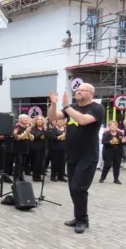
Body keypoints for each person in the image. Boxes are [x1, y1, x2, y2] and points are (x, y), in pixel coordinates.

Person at [47, 83, 105, 234]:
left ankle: (83, 220)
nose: (78, 92)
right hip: (72, 154)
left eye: (82, 90)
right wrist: (53, 105)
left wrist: (66, 107)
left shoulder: (96, 108)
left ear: (91, 93)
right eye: (77, 90)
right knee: (73, 189)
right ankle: (78, 216)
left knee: (79, 187)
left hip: (88, 155)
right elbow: (52, 117)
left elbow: (83, 120)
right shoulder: (72, 106)